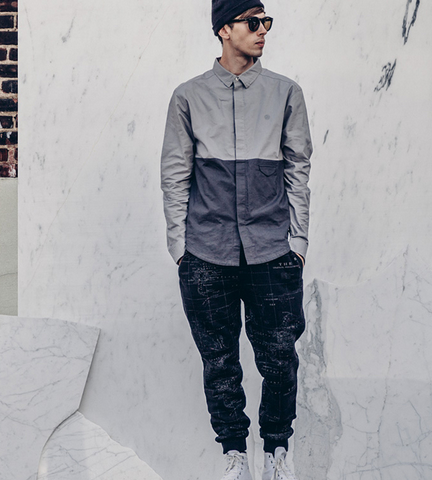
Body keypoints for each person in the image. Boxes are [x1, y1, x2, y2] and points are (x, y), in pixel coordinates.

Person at [160, 0, 313, 479]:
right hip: (206, 252)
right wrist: (180, 249)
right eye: (253, 22)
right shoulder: (188, 97)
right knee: (220, 362)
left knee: (280, 359)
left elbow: (299, 169)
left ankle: (277, 453)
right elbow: (175, 174)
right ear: (224, 29)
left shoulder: (285, 93)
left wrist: (298, 242)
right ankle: (235, 456)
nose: (263, 30)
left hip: (273, 249)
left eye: (266, 21)